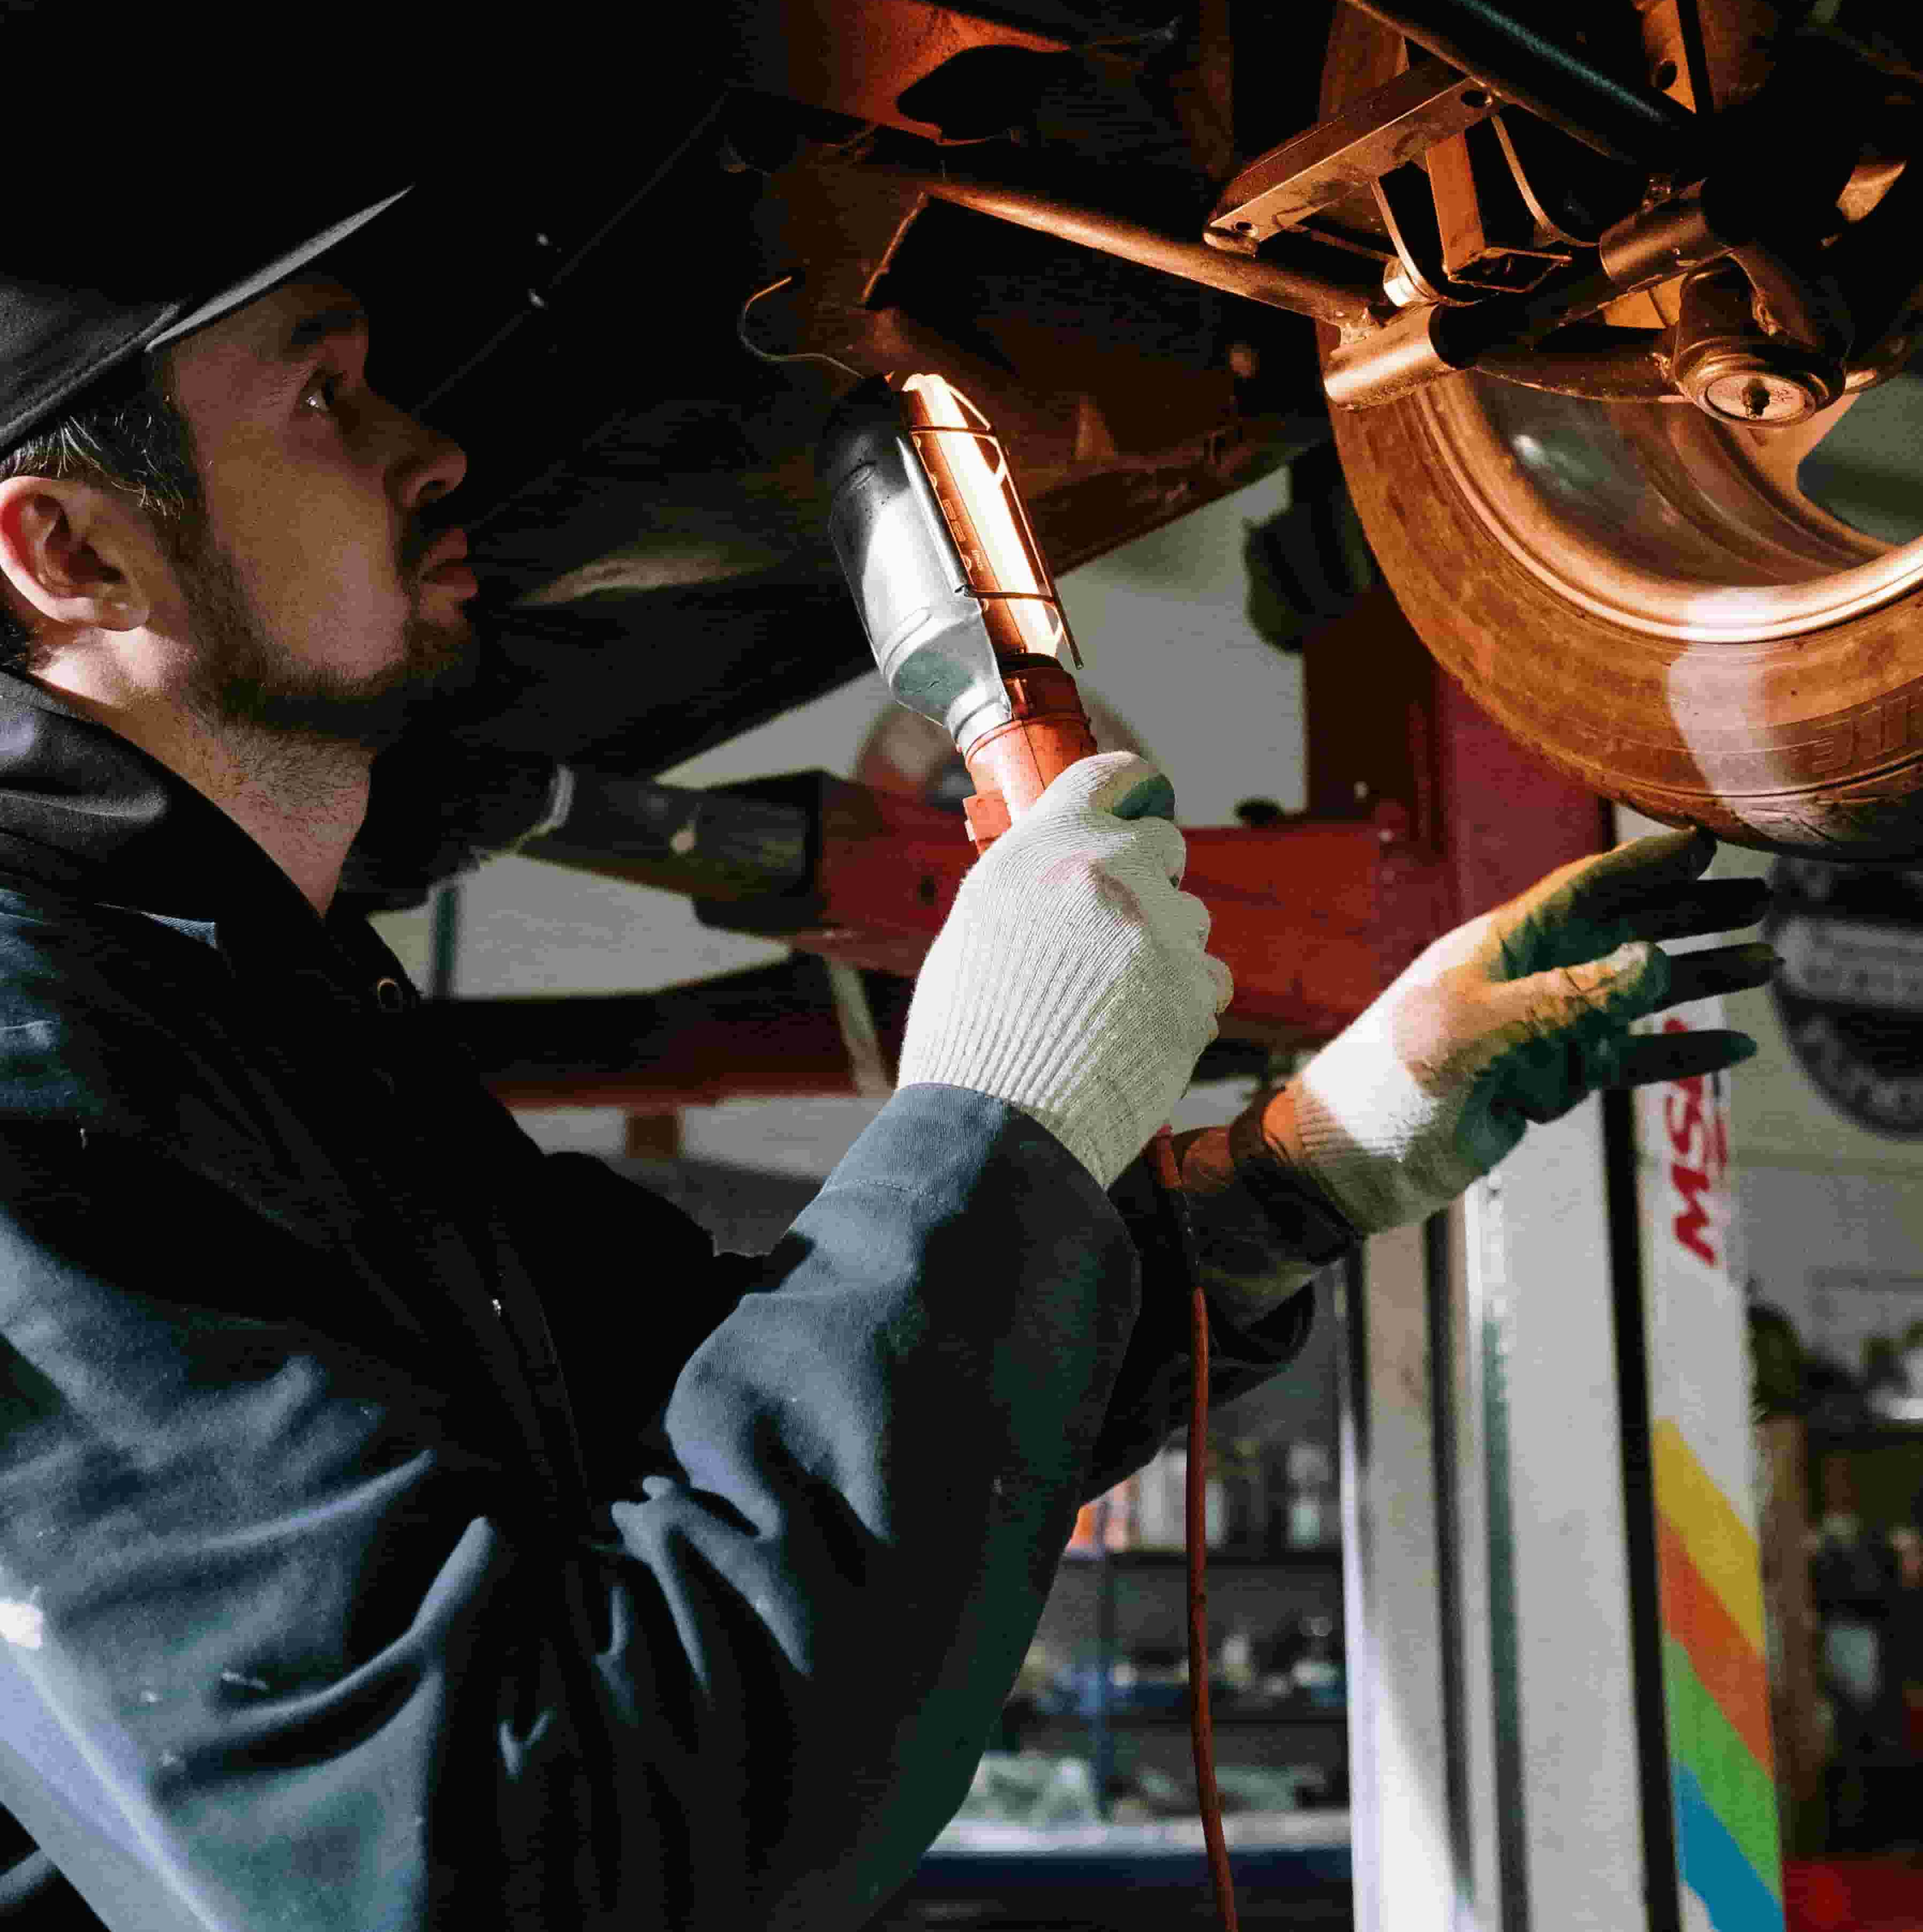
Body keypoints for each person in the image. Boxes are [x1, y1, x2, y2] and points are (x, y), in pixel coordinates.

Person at [0, 187, 1773, 1930]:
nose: (438, 450)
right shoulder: (31, 1074)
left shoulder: (267, 1025)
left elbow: (724, 1414)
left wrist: (1301, 1169)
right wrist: (989, 1129)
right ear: (67, 552)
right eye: (325, 395)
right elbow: (493, 1858)